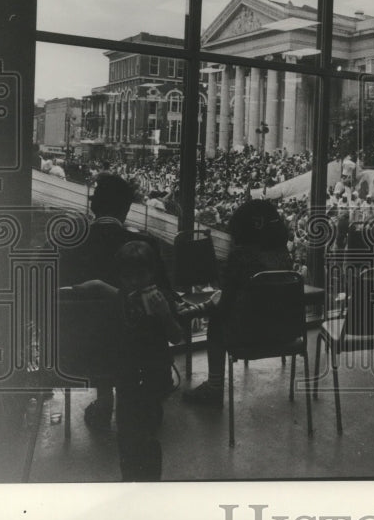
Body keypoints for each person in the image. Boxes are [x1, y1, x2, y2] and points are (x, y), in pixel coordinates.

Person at [58, 173, 169, 431]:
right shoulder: (144, 245)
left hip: (75, 352)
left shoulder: (65, 244)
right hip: (134, 354)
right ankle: (141, 400)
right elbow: (162, 300)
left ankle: (105, 399)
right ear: (127, 208)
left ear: (93, 206)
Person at [182, 199, 294, 405]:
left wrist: (208, 307)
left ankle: (215, 387)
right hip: (286, 335)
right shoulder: (284, 255)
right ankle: (195, 310)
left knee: (216, 320)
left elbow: (225, 306)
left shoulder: (241, 256)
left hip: (249, 336)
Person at [112, 241, 182, 480]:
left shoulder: (162, 299)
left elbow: (177, 336)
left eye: (140, 274)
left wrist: (164, 314)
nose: (134, 281)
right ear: (120, 277)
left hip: (154, 373)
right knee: (126, 431)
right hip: (128, 374)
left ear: (151, 273)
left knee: (145, 430)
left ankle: (148, 477)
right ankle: (130, 476)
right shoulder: (118, 300)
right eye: (127, 276)